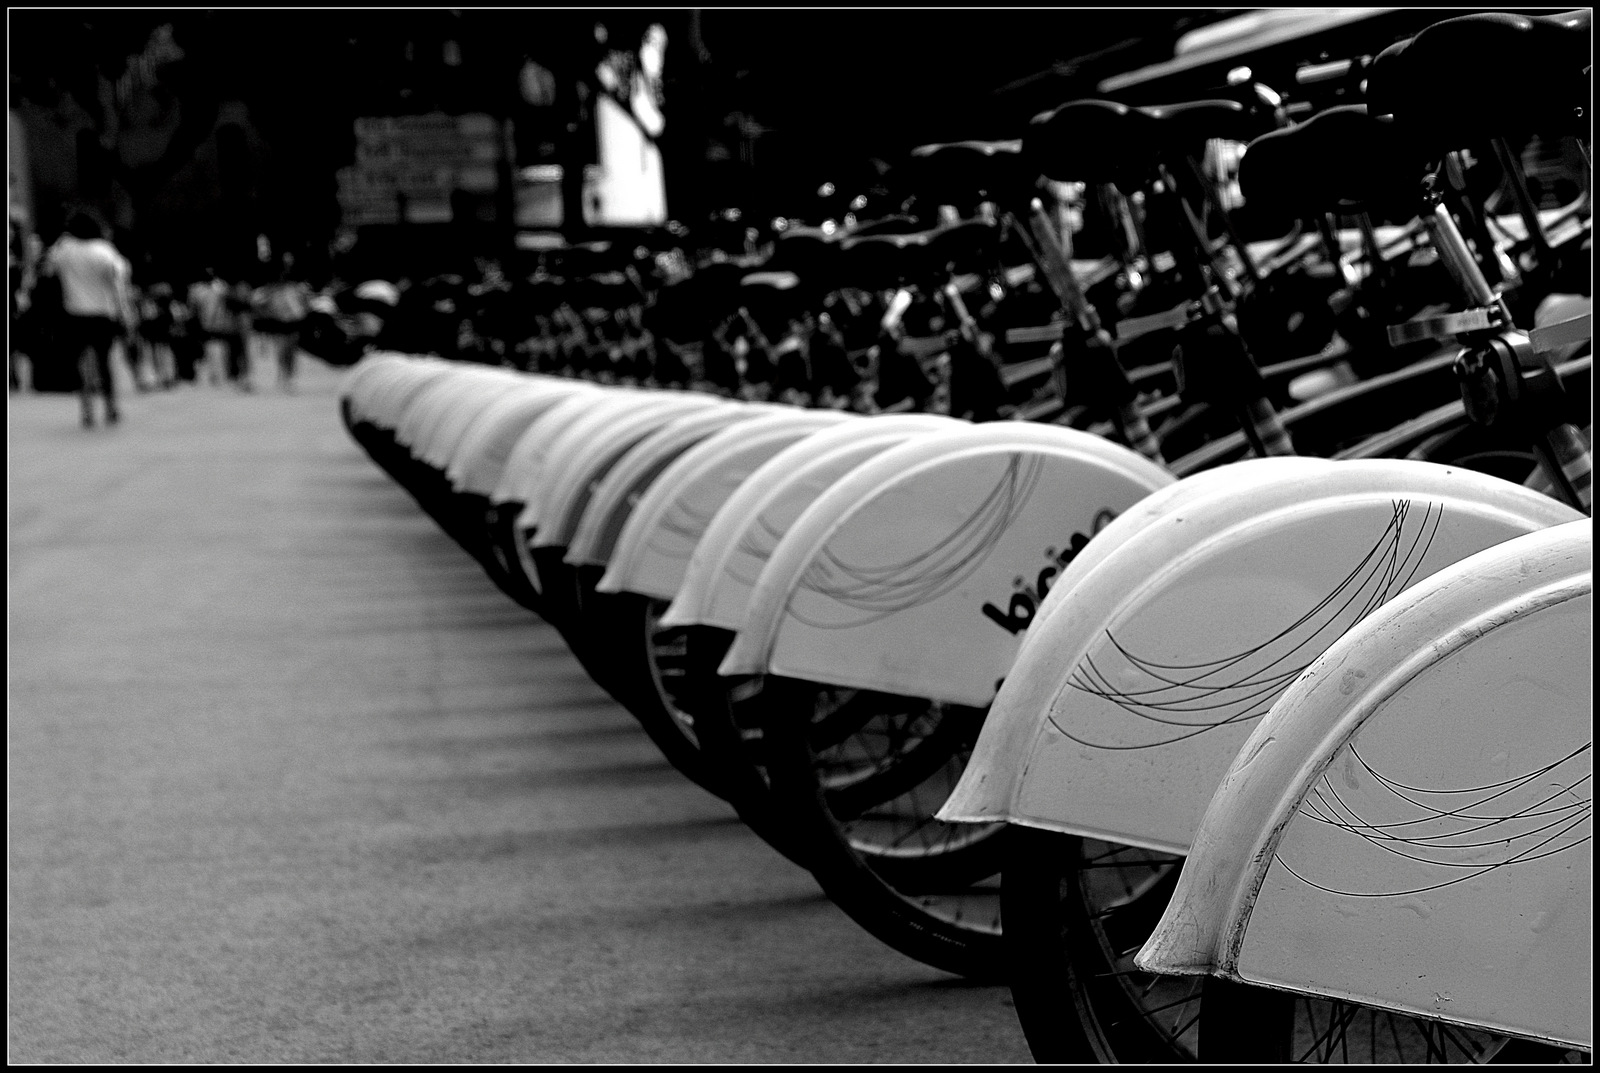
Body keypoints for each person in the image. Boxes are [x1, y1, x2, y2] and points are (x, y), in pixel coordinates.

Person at [41, 211, 135, 427]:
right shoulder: (103, 251)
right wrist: (125, 312)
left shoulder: (64, 248)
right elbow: (119, 279)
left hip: (74, 314)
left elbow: (48, 267)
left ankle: (86, 408)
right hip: (102, 313)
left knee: (81, 361)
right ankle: (110, 406)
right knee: (104, 362)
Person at [251, 255, 310, 390]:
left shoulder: (295, 288)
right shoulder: (271, 289)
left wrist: (303, 313)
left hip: (293, 322)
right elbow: (257, 302)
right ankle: (284, 375)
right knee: (282, 350)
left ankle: (288, 376)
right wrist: (265, 313)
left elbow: (305, 303)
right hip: (279, 322)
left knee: (290, 350)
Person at [189, 268, 246, 389]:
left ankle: (224, 375)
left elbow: (231, 303)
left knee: (221, 350)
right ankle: (214, 375)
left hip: (222, 324)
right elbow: (194, 309)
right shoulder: (198, 290)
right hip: (207, 324)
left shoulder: (221, 287)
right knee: (210, 350)